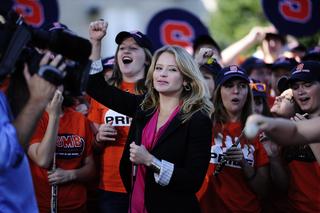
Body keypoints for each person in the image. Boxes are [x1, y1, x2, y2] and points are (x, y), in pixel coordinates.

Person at [87, 34, 214, 212]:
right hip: (135, 206)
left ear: (186, 79)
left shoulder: (198, 120)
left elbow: (193, 180)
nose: (162, 74)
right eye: (159, 68)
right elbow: (96, 88)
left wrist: (151, 161)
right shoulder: (143, 107)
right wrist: (96, 43)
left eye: (172, 70)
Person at [88, 20, 153, 213]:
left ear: (148, 59)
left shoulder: (157, 95)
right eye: (122, 48)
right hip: (111, 187)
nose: (126, 51)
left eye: (134, 48)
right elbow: (94, 149)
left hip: (147, 183)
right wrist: (99, 138)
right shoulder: (105, 93)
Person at [197, 65, 270, 213]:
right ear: (219, 92)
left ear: (247, 94)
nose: (235, 91)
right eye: (228, 86)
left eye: (242, 86)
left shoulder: (259, 132)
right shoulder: (204, 125)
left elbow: (264, 190)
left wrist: (244, 164)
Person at [0, 52, 65, 213]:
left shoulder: (77, 116)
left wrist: (73, 174)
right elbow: (6, 155)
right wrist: (38, 101)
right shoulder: (34, 113)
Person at [255, 61, 320, 213]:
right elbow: (284, 185)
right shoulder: (292, 126)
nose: (300, 91)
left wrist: (310, 136)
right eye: (296, 87)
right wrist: (274, 155)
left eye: (307, 85)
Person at [27, 83, 96, 212]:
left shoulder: (80, 119)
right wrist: (54, 116)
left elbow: (91, 168)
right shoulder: (31, 118)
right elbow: (42, 160)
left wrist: (71, 175)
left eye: (57, 81)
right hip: (39, 206)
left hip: (76, 206)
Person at [221, 25, 286, 66]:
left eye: (276, 40)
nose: (272, 44)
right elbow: (224, 60)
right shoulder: (254, 63)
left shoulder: (287, 65)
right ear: (262, 44)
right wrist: (251, 38)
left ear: (282, 43)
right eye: (268, 40)